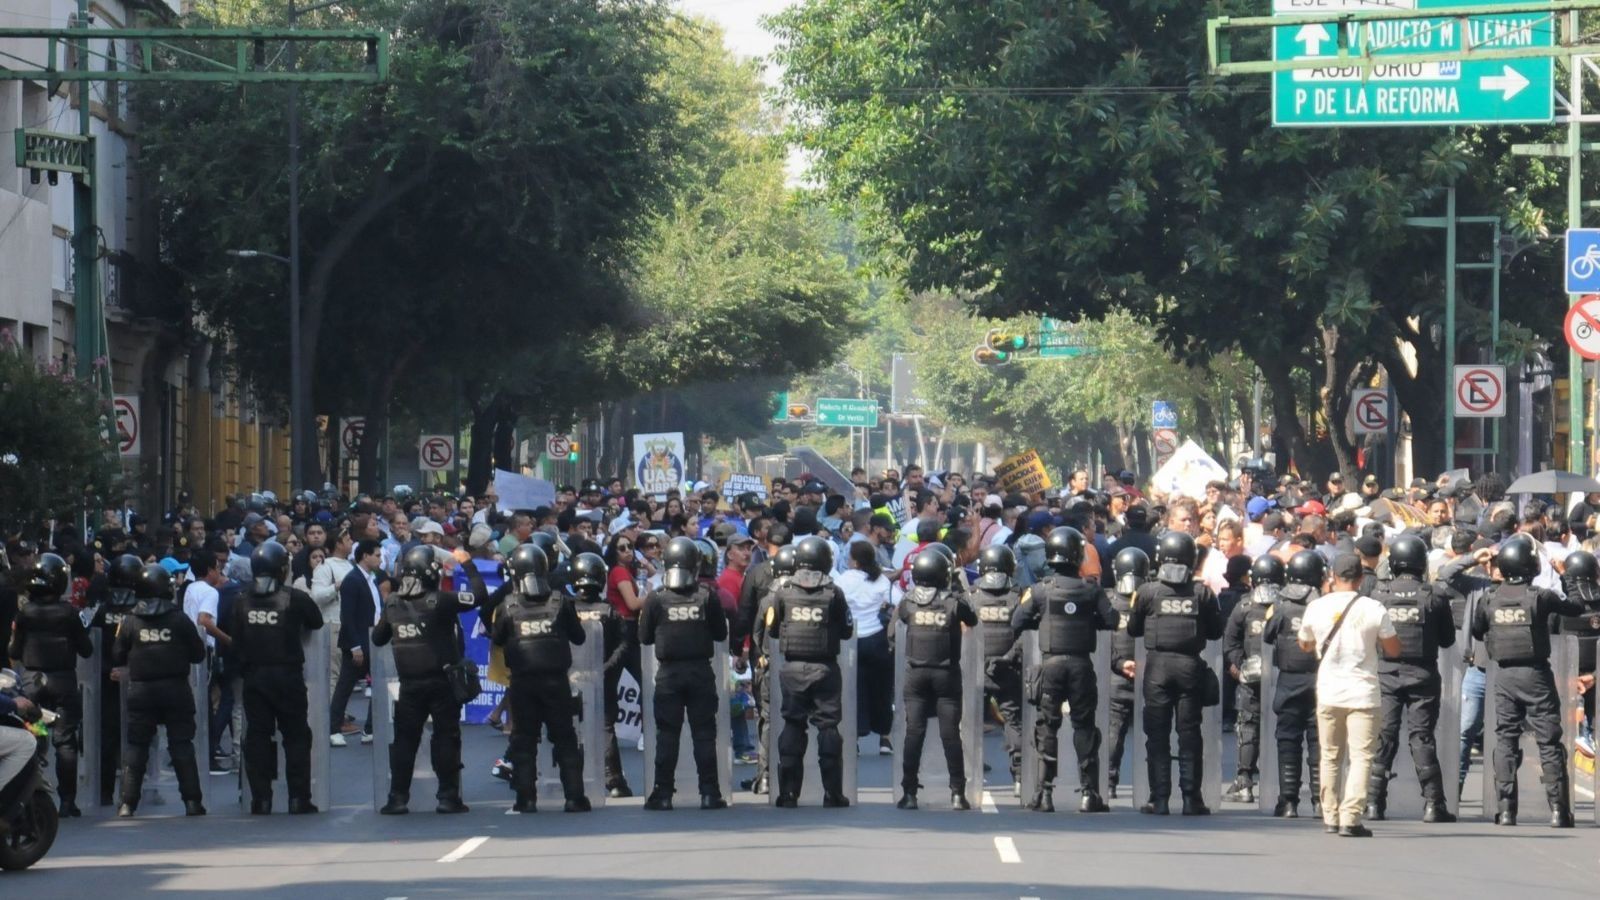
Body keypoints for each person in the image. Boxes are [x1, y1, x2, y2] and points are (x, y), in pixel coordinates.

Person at [1468, 536, 1587, 827]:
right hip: (1536, 676)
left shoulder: (1489, 599)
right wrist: (1565, 575)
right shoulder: (1540, 596)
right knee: (1548, 741)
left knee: (1506, 741)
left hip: (1505, 677)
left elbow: (1477, 630)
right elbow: (1576, 607)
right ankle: (1559, 811)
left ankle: (1506, 811)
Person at [371, 545, 486, 815]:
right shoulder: (441, 600)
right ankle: (447, 797)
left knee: (404, 742)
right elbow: (479, 594)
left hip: (409, 685)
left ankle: (398, 798)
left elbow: (378, 638)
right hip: (442, 682)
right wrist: (467, 564)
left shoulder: (393, 603)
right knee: (446, 738)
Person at [1296, 553, 1400, 837]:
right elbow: (1393, 649)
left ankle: (1329, 814)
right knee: (1362, 757)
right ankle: (1351, 818)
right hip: (1363, 694)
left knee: (1329, 756)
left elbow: (1304, 644)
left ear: (1332, 576)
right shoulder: (1373, 607)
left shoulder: (1316, 607)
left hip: (1329, 692)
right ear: (1361, 579)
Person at [1011, 527, 1115, 813]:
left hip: (1051, 665)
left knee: (1047, 727)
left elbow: (1016, 621)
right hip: (1081, 665)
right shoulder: (1091, 590)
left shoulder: (1040, 590)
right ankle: (1089, 793)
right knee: (1084, 726)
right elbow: (1112, 620)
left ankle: (1044, 795)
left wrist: (1040, 620)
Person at [1126, 530, 1224, 816]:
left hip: (1156, 667)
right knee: (1189, 733)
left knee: (1157, 734)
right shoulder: (1203, 593)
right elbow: (1217, 631)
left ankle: (1159, 799)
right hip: (1190, 667)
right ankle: (1192, 799)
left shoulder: (1146, 591)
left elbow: (1133, 629)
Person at [490, 543, 590, 813]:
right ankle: (574, 797)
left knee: (523, 740)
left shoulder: (508, 606)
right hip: (556, 682)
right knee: (565, 738)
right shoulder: (560, 602)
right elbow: (579, 637)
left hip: (522, 684)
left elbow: (496, 638)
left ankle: (526, 799)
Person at [1365, 534, 1457, 823]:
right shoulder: (1435, 595)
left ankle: (1373, 804)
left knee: (1384, 737)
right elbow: (1447, 640)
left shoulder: (1377, 595)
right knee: (1422, 738)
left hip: (1387, 674)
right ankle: (1433, 804)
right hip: (1422, 675)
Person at [638, 537, 730, 810]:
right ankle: (710, 793)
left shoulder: (656, 598)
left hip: (669, 674)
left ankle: (662, 794)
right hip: (700, 671)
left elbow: (644, 637)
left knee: (667, 734)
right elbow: (721, 633)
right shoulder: (707, 596)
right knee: (704, 734)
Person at [233, 542, 324, 814]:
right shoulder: (294, 598)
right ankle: (299, 798)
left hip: (255, 677)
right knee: (296, 736)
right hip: (287, 676)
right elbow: (316, 622)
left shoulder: (241, 600)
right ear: (283, 568)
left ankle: (260, 799)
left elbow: (236, 639)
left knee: (258, 737)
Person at [114, 563, 208, 817]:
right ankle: (192, 802)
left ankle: (127, 804)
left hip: (141, 690)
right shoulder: (179, 619)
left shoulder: (130, 620)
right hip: (175, 689)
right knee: (181, 745)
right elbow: (198, 654)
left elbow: (117, 653)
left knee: (136, 748)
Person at [766, 536, 854, 807]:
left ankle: (788, 793)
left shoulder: (783, 592)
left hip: (792, 668)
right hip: (824, 667)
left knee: (792, 724)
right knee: (828, 727)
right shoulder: (833, 592)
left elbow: (772, 628)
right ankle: (832, 793)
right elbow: (847, 629)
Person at [7, 552, 93, 816]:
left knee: (31, 736)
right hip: (63, 682)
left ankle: (29, 796)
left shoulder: (25, 614)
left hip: (33, 683)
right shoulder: (69, 613)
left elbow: (15, 649)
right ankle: (67, 802)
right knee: (65, 740)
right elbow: (87, 649)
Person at [895, 547, 978, 810]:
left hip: (916, 674)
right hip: (946, 675)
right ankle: (957, 794)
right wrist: (958, 585)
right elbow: (972, 617)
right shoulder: (954, 602)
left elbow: (894, 630)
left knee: (914, 733)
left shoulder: (907, 602)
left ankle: (909, 794)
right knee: (951, 735)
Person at [1263, 550, 1324, 818]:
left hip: (1289, 681)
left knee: (1288, 741)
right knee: (1319, 743)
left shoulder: (1280, 606)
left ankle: (1288, 802)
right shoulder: (1324, 605)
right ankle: (1321, 802)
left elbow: (1267, 635)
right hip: (1321, 681)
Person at [570, 552, 631, 798]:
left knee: (570, 728)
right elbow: (624, 644)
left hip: (572, 677)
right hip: (602, 676)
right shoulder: (609, 611)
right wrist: (607, 668)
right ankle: (614, 781)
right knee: (605, 727)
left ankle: (573, 779)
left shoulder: (565, 608)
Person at [1221, 554, 1279, 803]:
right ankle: (1283, 787)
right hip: (1266, 677)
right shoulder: (1290, 606)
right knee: (1258, 728)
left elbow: (1229, 640)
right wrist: (1237, 664)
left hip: (1273, 676)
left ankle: (1246, 781)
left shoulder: (1245, 606)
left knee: (1248, 727)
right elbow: (1231, 640)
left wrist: (1236, 664)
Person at [970, 545, 1025, 795]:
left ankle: (969, 775)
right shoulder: (1018, 596)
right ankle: (1020, 776)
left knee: (970, 721)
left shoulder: (972, 596)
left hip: (976, 666)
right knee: (1013, 720)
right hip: (1008, 666)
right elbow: (1027, 632)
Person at [837, 539, 893, 756]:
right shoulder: (880, 580)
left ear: (853, 560)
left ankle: (855, 739)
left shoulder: (843, 580)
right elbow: (897, 601)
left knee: (853, 690)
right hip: (878, 639)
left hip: (851, 641)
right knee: (882, 690)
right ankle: (884, 738)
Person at [1105, 546, 1147, 799]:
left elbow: (1100, 643)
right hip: (1150, 675)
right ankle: (1156, 786)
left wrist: (1120, 664)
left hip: (1116, 675)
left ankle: (1108, 782)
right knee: (1156, 732)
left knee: (1114, 731)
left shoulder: (1108, 601)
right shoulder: (1152, 598)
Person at [331, 540, 382, 746]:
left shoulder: (371, 579)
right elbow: (347, 616)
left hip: (373, 639)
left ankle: (371, 729)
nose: (380, 559)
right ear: (365, 556)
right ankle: (333, 729)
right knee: (345, 687)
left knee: (379, 686)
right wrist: (355, 646)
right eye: (377, 555)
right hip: (358, 643)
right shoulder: (352, 580)